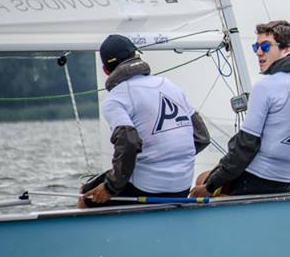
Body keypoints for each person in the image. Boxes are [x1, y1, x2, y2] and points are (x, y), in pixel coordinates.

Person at [190, 20, 290, 197]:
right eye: (256, 47)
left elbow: (245, 145)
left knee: (201, 180)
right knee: (212, 175)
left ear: (287, 49)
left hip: (253, 180)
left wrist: (209, 187)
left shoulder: (266, 87)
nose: (259, 52)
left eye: (265, 46)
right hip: (286, 181)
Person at [80, 34, 210, 207]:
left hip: (146, 188)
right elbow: (202, 137)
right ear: (136, 55)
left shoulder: (114, 99)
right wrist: (171, 159)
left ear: (105, 70)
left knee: (86, 195)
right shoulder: (170, 85)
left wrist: (110, 187)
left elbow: (128, 142)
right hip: (182, 186)